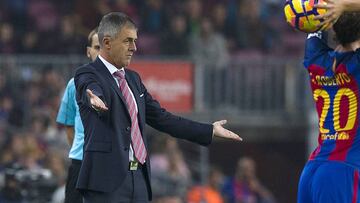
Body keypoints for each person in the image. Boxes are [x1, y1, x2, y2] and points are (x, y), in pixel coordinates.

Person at [74, 12, 242, 203]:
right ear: (107, 42)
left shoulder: (133, 79)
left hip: (139, 179)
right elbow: (90, 88)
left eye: (135, 41)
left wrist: (209, 130)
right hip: (105, 182)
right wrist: (95, 100)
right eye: (127, 41)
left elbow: (163, 119)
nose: (134, 48)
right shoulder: (87, 74)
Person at [297, 12, 360, 203]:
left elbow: (313, 27)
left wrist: (322, 10)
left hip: (312, 170)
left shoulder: (316, 58)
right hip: (342, 172)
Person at [56, 27, 100, 203]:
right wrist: (82, 149)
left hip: (109, 162)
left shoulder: (120, 84)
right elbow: (68, 125)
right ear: (88, 51)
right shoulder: (73, 84)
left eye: (105, 48)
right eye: (96, 47)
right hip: (80, 161)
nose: (101, 52)